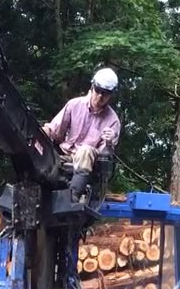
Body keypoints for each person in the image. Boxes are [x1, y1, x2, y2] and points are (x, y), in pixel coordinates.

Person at [43, 67, 121, 201]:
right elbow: (55, 130)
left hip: (89, 163)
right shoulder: (74, 105)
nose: (101, 96)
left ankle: (73, 196)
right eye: (98, 91)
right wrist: (41, 133)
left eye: (106, 93)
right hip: (65, 155)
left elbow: (106, 156)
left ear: (111, 95)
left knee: (85, 150)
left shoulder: (112, 120)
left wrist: (109, 142)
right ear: (92, 87)